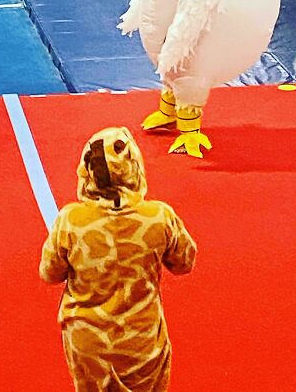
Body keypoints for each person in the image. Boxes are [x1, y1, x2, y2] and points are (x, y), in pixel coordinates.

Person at [40, 126, 196, 392]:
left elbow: (49, 273)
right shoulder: (159, 216)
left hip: (88, 342)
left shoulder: (71, 220)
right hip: (142, 342)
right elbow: (185, 262)